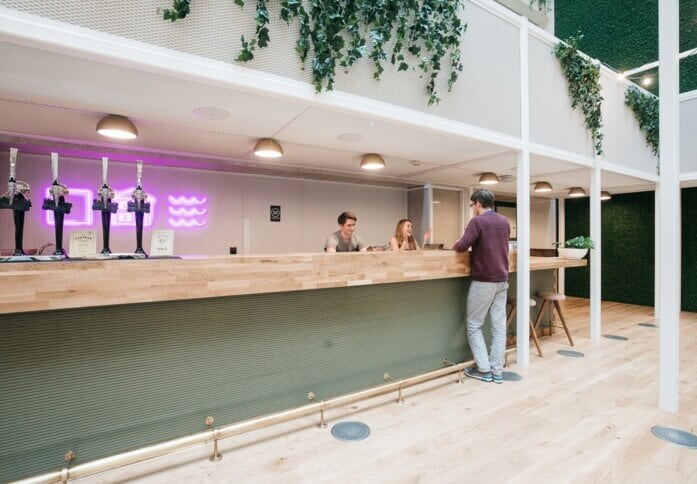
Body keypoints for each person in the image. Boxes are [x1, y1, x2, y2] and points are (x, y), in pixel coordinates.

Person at [453, 189, 510, 384]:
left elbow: (462, 246)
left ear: (477, 203)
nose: (472, 209)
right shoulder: (504, 222)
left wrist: (457, 243)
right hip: (502, 280)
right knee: (499, 326)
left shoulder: (477, 222)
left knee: (474, 324)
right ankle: (497, 370)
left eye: (472, 205)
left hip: (484, 281)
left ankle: (484, 369)